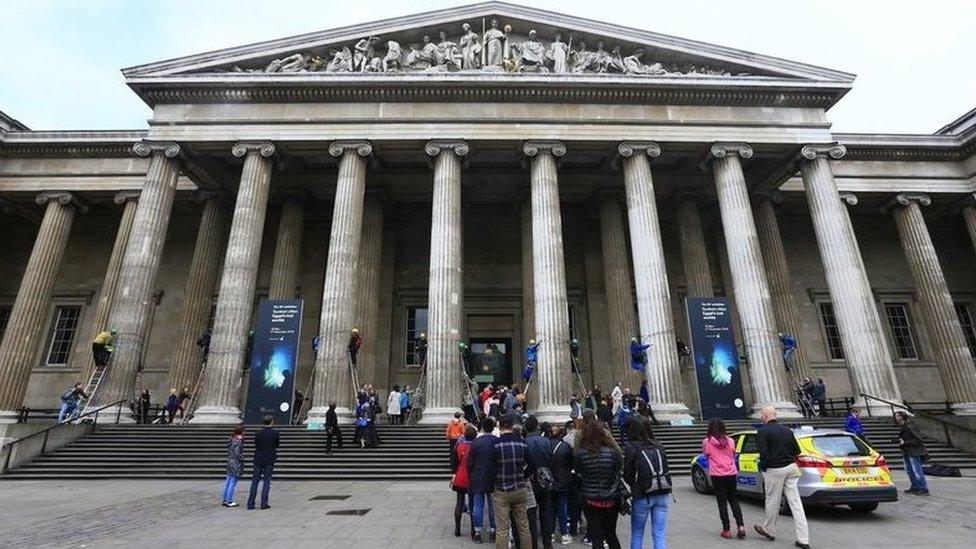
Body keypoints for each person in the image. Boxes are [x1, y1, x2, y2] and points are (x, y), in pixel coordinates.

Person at [753, 406, 808, 549]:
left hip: (775, 469)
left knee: (772, 500)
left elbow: (763, 454)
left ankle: (769, 530)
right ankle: (804, 539)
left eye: (761, 415)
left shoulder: (762, 431)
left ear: (765, 416)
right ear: (775, 415)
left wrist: (764, 467)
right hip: (791, 468)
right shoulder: (787, 430)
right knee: (796, 504)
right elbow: (797, 450)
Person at [574, 420, 623, 549]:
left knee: (597, 537)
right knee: (611, 534)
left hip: (590, 498)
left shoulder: (580, 453)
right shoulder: (612, 453)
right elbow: (617, 470)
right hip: (611, 499)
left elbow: (579, 471)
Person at [625, 416, 672, 549]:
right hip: (662, 492)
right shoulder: (659, 445)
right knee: (659, 533)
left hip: (642, 494)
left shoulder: (631, 447)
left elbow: (628, 474)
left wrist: (633, 485)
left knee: (637, 534)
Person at [491, 415, 531, 549]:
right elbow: (532, 464)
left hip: (501, 490)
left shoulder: (495, 444)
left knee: (502, 529)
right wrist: (523, 476)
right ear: (512, 426)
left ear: (499, 425)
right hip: (519, 488)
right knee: (524, 527)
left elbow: (490, 468)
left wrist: (494, 481)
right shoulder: (522, 442)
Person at [701, 418, 745, 539]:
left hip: (717, 475)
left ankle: (727, 530)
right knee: (734, 500)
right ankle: (741, 526)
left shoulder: (707, 442)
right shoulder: (730, 441)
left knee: (722, 502)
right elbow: (733, 454)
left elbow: (706, 455)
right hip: (731, 473)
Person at [467, 417, 499, 543]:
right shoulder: (497, 441)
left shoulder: (475, 442)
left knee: (477, 506)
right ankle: (492, 532)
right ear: (492, 428)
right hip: (493, 478)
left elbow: (469, 463)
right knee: (492, 506)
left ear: (483, 428)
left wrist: (471, 475)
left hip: (477, 477)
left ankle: (478, 533)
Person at [524, 416, 553, 549]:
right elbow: (550, 460)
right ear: (537, 427)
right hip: (545, 480)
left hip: (530, 481)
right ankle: (547, 543)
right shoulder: (546, 441)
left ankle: (533, 544)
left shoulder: (524, 442)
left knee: (531, 514)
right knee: (545, 512)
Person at [247, 415, 280, 510]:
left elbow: (256, 444)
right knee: (266, 481)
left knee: (254, 481)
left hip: (258, 459)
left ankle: (250, 503)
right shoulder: (275, 433)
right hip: (269, 459)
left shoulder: (258, 433)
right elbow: (277, 445)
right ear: (272, 422)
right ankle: (264, 503)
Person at [549, 424, 575, 545]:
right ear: (561, 434)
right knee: (562, 507)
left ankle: (551, 533)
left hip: (549, 480)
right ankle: (564, 533)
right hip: (563, 480)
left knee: (550, 508)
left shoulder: (546, 445)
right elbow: (571, 463)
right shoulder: (566, 446)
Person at [895, 411, 929, 496]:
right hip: (906, 452)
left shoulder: (909, 427)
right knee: (909, 470)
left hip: (914, 452)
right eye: (896, 416)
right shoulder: (902, 427)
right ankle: (915, 486)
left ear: (902, 417)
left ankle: (923, 488)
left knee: (916, 470)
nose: (896, 418)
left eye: (897, 416)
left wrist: (905, 443)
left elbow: (918, 439)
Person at [453, 425, 478, 537]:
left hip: (460, 477)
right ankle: (473, 530)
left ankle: (457, 529)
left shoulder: (459, 446)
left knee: (459, 503)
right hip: (472, 478)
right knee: (472, 504)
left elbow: (455, 462)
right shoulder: (475, 447)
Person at [221, 424, 245, 507]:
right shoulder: (239, 440)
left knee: (228, 480)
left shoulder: (231, 439)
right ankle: (229, 500)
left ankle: (224, 499)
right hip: (235, 462)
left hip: (229, 461)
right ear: (242, 432)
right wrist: (242, 458)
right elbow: (237, 452)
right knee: (233, 482)